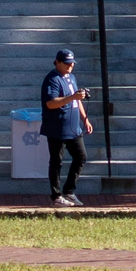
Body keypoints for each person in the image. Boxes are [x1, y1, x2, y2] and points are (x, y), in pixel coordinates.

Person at [40, 46, 92, 209]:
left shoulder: (71, 78)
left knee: (81, 156)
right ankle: (56, 196)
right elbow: (51, 103)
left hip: (73, 127)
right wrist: (72, 97)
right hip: (57, 127)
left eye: (72, 64)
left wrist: (85, 119)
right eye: (67, 64)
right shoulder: (52, 79)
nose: (71, 66)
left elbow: (77, 100)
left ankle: (69, 191)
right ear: (58, 62)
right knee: (56, 161)